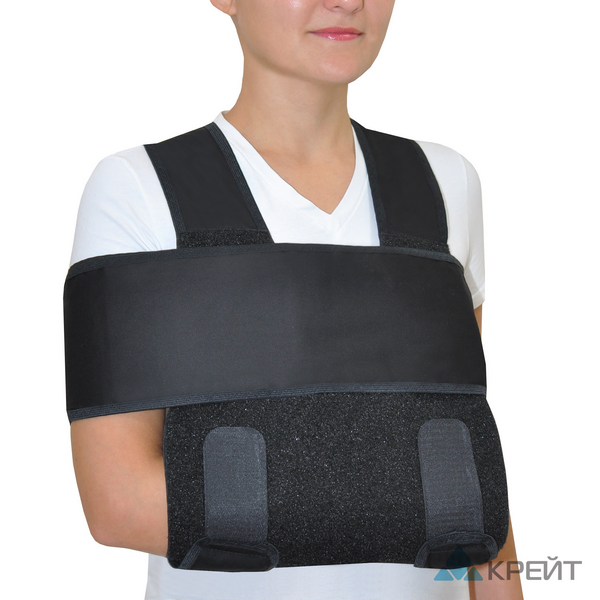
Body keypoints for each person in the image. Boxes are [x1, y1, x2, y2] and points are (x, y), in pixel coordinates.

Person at [68, 0, 523, 598]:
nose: (347, 2)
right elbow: (117, 503)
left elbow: (471, 477)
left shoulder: (445, 182)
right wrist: (412, 503)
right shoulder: (140, 189)